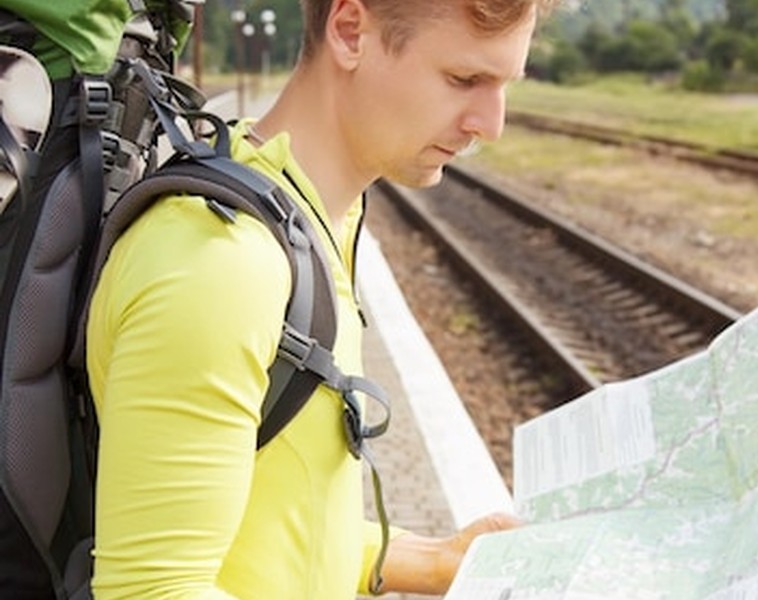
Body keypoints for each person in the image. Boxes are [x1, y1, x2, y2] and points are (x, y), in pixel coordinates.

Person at [86, 0, 559, 597]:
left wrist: (434, 560)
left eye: (504, 85)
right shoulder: (222, 264)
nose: (490, 124)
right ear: (350, 31)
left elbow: (275, 512)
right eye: (465, 80)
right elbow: (151, 589)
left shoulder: (309, 217)